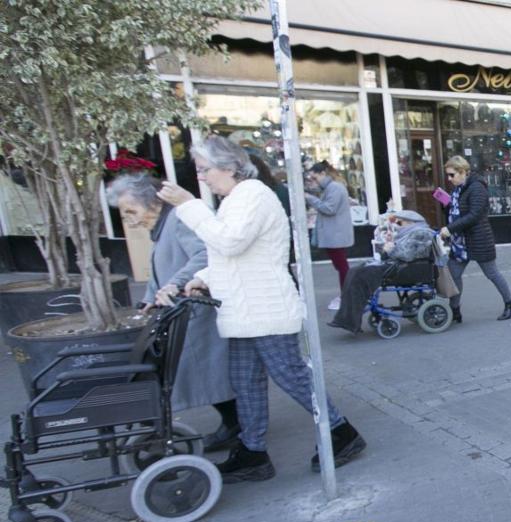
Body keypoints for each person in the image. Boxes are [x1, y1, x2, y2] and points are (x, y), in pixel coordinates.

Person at [156, 136, 366, 483]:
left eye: (205, 170)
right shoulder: (236, 199)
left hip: (264, 308)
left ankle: (342, 433)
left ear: (229, 167)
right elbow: (233, 253)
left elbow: (230, 241)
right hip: (244, 310)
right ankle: (252, 451)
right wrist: (203, 277)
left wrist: (189, 205)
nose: (203, 177)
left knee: (290, 375)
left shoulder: (253, 195)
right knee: (245, 380)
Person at [106, 173, 238, 452]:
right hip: (183, 311)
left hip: (195, 311)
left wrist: (175, 284)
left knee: (213, 377)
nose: (129, 219)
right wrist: (147, 300)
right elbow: (160, 271)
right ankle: (237, 424)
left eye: (131, 210)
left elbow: (204, 255)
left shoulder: (178, 219)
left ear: (151, 202)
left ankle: (237, 426)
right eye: (124, 213)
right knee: (209, 377)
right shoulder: (163, 225)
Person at [329, 210, 437, 333]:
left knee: (359, 275)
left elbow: (408, 255)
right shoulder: (408, 233)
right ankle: (345, 318)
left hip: (404, 269)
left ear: (411, 222)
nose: (397, 225)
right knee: (353, 271)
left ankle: (348, 320)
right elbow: (397, 253)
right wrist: (389, 247)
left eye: (400, 222)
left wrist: (390, 249)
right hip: (398, 266)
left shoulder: (421, 233)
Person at [439, 155, 511, 323]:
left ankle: (510, 303)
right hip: (460, 242)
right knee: (454, 275)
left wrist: (450, 228)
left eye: (452, 174)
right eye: (448, 175)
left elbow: (474, 215)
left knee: (492, 273)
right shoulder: (458, 189)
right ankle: (455, 311)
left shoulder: (477, 188)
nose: (449, 178)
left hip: (479, 239)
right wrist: (445, 204)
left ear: (462, 172)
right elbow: (456, 211)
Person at [305, 161, 355, 311]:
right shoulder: (332, 187)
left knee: (342, 267)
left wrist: (309, 198)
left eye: (315, 178)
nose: (314, 182)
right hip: (334, 233)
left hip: (335, 234)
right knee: (341, 266)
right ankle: (346, 295)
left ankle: (347, 296)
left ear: (323, 174)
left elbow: (329, 209)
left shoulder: (334, 188)